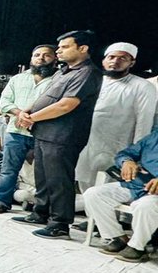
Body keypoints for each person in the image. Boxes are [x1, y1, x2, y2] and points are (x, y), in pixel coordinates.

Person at [15, 30, 103, 239]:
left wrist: (33, 117)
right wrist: (25, 111)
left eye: (65, 47)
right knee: (43, 177)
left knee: (59, 179)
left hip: (64, 135)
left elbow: (66, 105)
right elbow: (46, 96)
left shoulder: (87, 73)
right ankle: (40, 212)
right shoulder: (63, 71)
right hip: (45, 132)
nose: (59, 51)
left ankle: (60, 223)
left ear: (83, 48)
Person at [0, 45, 57, 213]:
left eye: (46, 55)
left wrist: (32, 118)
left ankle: (41, 208)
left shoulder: (58, 80)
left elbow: (57, 106)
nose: (41, 58)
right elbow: (4, 103)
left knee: (43, 172)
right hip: (15, 132)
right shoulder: (18, 79)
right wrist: (20, 114)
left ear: (55, 59)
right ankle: (2, 202)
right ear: (31, 58)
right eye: (37, 55)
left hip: (43, 132)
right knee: (9, 169)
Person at [74, 42, 157, 190]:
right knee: (85, 186)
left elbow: (144, 122)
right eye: (111, 57)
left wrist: (136, 156)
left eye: (123, 58)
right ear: (104, 60)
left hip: (118, 147)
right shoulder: (93, 80)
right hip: (87, 144)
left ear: (132, 62)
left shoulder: (143, 86)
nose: (115, 61)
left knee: (108, 188)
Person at [84, 128, 158, 262]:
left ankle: (137, 247)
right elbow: (125, 153)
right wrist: (126, 161)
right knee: (93, 194)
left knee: (145, 206)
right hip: (136, 184)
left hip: (154, 193)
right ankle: (117, 238)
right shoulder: (154, 136)